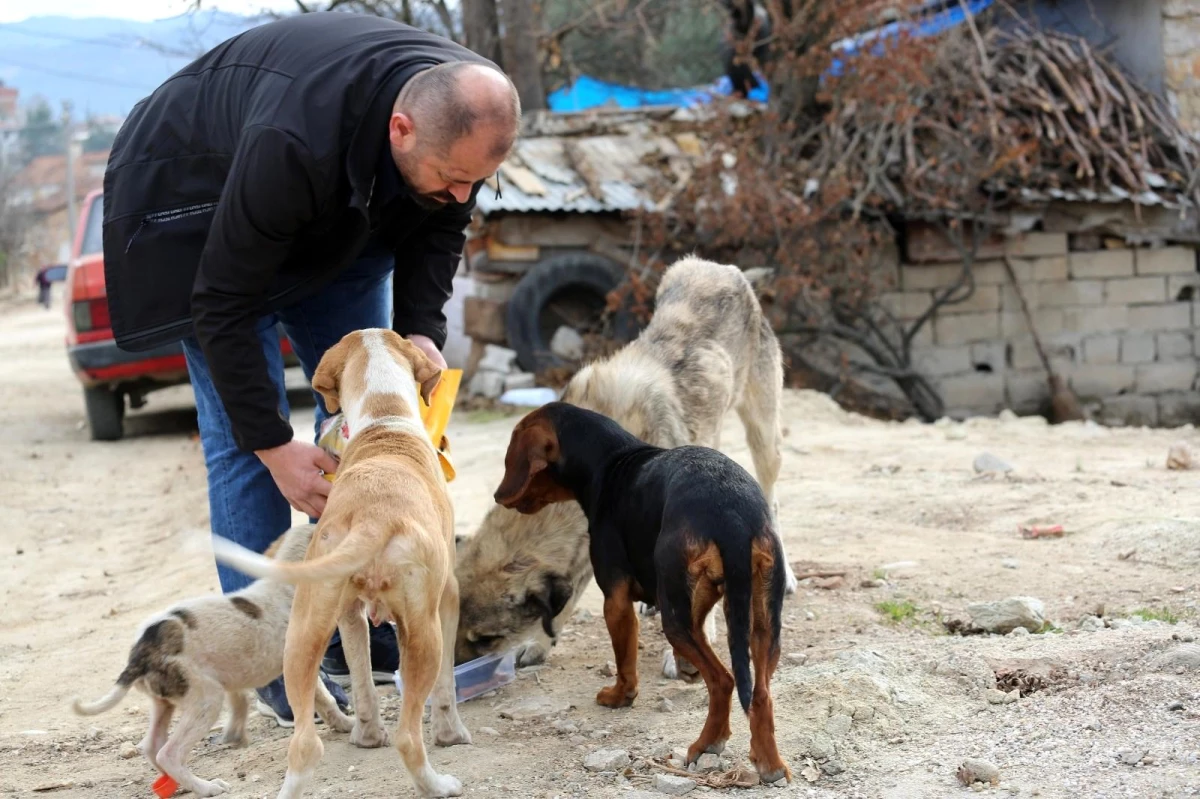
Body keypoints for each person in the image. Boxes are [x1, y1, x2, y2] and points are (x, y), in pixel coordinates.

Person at [101, 12, 521, 726]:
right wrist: (274, 444)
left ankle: (377, 614)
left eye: (473, 182)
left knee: (375, 420)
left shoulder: (460, 117)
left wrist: (420, 331)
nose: (461, 194)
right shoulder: (292, 142)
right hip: (196, 218)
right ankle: (278, 664)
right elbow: (223, 301)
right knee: (248, 444)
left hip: (337, 220)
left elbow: (444, 227)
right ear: (401, 130)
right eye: (453, 178)